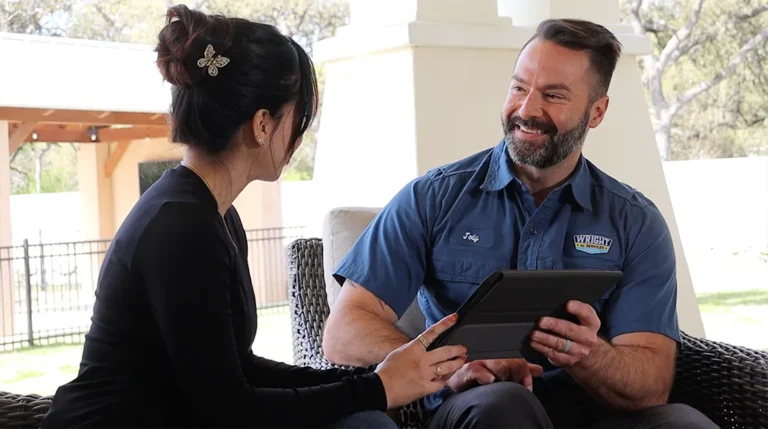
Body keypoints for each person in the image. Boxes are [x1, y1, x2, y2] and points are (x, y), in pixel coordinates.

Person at [40, 5, 468, 428]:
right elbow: (231, 411)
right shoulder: (181, 228)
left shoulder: (214, 216)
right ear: (262, 124)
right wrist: (376, 388)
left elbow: (237, 369)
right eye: (296, 116)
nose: (299, 135)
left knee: (364, 419)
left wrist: (368, 381)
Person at [323, 18, 719, 429]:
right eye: (519, 87)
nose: (528, 109)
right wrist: (447, 364)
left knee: (686, 424)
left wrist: (590, 355)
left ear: (596, 112)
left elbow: (651, 384)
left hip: (593, 414)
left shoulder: (635, 221)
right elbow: (344, 331)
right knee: (504, 406)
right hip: (477, 407)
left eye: (553, 95)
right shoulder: (433, 198)